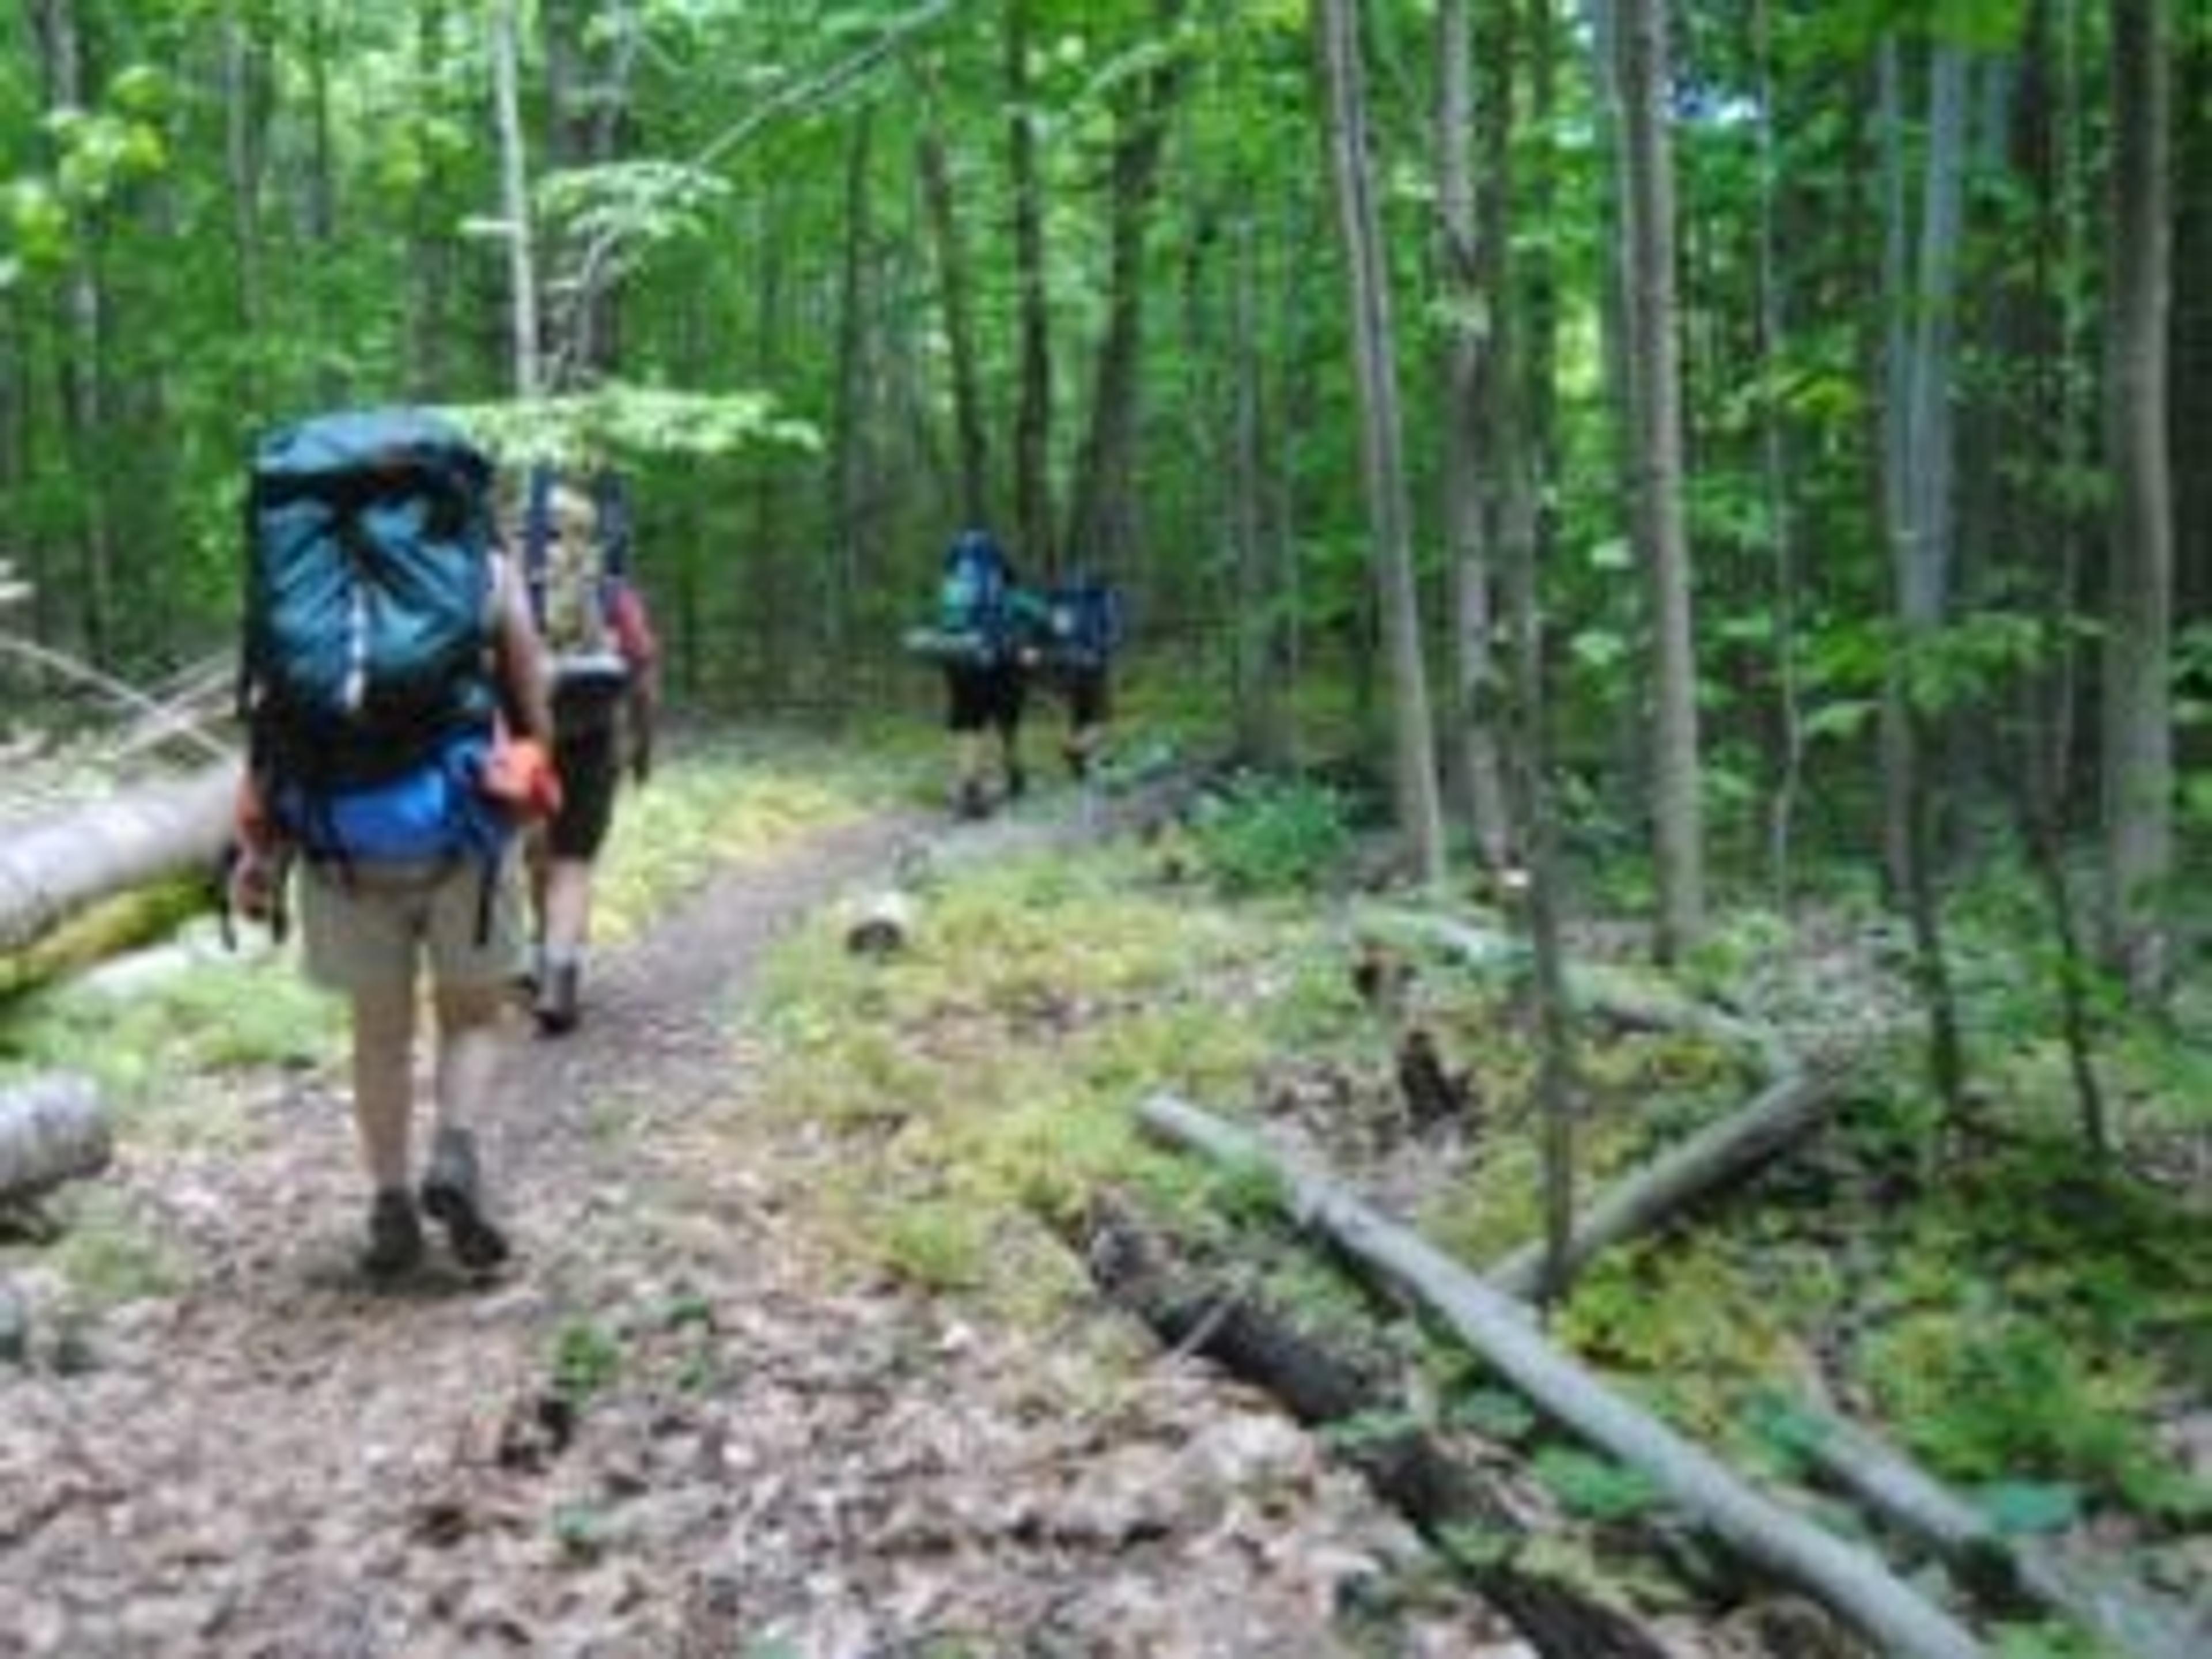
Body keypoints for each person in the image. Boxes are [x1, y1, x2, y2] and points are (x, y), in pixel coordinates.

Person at [230, 412, 557, 1282]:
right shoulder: (477, 569)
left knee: (377, 1034)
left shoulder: (300, 583)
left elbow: (268, 719)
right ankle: (454, 1151)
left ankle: (388, 1205)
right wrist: (535, 797)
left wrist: (260, 851)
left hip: (337, 839)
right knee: (473, 1015)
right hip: (460, 833)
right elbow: (532, 690)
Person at [521, 471, 659, 1035]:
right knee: (573, 859)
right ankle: (559, 972)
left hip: (522, 738)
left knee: (532, 853)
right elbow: (644, 672)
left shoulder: (511, 580)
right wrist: (644, 741)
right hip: (592, 733)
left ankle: (536, 954)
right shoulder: (612, 590)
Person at [935, 528, 1028, 819]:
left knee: (968, 726)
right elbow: (1034, 612)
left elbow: (944, 622)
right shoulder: (1004, 585)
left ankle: (969, 789)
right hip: (996, 662)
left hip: (958, 659)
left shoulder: (952, 580)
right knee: (1004, 723)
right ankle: (1012, 774)